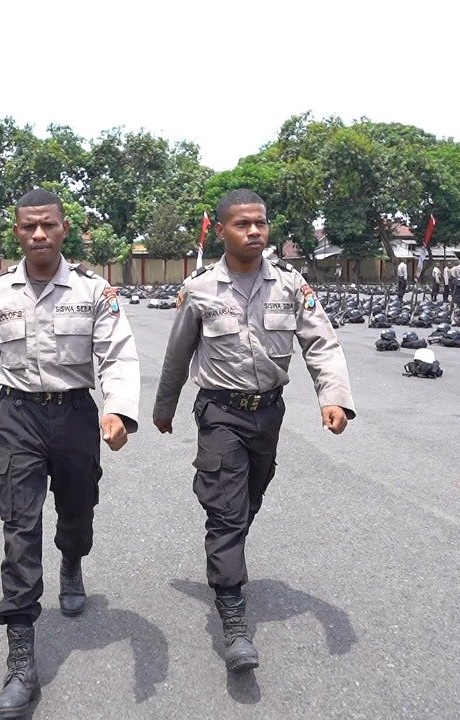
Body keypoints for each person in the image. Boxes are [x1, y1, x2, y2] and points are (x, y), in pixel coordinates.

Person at [152, 189, 355, 674]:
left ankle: (226, 556)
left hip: (268, 413)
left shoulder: (291, 284)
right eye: (242, 224)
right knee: (226, 509)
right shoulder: (200, 289)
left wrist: (333, 397)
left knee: (248, 501)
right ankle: (233, 614)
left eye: (260, 223)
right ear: (222, 230)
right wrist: (164, 407)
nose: (254, 231)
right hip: (220, 412)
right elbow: (178, 354)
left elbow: (321, 343)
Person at [0, 188, 140, 719]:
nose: (38, 234)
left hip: (73, 415)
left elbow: (117, 354)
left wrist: (118, 410)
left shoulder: (94, 290)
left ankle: (71, 562)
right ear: (17, 232)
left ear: (64, 229)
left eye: (48, 225)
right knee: (19, 525)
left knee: (78, 506)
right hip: (18, 413)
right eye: (28, 226)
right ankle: (21, 659)